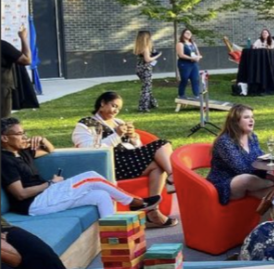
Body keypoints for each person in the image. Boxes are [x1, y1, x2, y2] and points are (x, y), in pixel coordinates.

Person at [2, 117, 159, 219]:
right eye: (19, 134)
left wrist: (42, 139)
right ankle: (132, 201)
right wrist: (50, 183)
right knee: (90, 177)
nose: (24, 137)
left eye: (24, 133)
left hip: (46, 195)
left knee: (101, 195)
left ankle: (113, 240)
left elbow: (49, 149)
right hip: (34, 203)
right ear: (4, 138)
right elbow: (21, 194)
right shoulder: (5, 161)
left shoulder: (21, 152)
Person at [72, 91, 177, 227]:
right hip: (110, 164)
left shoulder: (118, 122)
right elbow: (90, 150)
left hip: (129, 160)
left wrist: (134, 137)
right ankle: (172, 177)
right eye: (113, 106)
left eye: (118, 108)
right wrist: (116, 135)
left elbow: (136, 147)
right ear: (102, 103)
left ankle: (152, 212)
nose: (115, 111)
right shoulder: (85, 124)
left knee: (158, 165)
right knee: (161, 143)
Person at [206, 104, 274, 205]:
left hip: (252, 183)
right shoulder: (225, 141)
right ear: (235, 122)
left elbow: (260, 159)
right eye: (246, 117)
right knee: (245, 179)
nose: (251, 120)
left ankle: (262, 220)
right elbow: (241, 169)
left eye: (252, 117)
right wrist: (271, 180)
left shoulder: (252, 137)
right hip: (225, 184)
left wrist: (270, 167)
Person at [1, 26, 31, 119]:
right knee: (3, 121)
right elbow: (26, 60)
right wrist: (23, 38)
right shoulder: (3, 46)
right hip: (2, 90)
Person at [133, 31, 160, 113]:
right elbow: (147, 59)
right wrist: (157, 56)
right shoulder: (145, 48)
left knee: (147, 87)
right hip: (145, 69)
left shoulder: (139, 47)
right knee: (146, 88)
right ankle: (143, 107)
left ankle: (152, 103)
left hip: (139, 68)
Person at [175, 29, 202, 98]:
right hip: (184, 64)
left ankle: (197, 95)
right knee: (184, 79)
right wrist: (191, 58)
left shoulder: (193, 43)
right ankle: (181, 94)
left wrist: (198, 57)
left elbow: (198, 53)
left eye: (190, 33)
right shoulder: (180, 44)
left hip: (194, 64)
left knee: (195, 79)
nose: (189, 34)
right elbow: (181, 55)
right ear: (183, 34)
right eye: (187, 33)